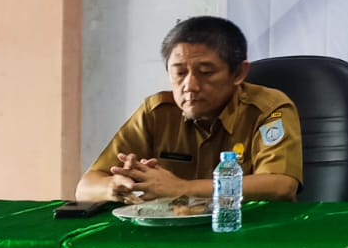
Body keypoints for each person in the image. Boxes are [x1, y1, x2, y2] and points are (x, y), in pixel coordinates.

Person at [75, 16, 303, 203]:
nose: (190, 86)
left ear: (238, 74)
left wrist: (181, 188)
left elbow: (281, 186)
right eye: (180, 72)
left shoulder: (269, 110)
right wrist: (117, 186)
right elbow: (85, 187)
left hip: (247, 234)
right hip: (173, 237)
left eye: (206, 72)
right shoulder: (156, 112)